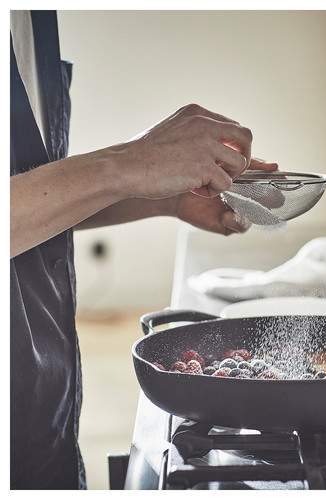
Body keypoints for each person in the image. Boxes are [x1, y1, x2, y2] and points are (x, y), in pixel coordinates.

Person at [10, 10, 277, 489]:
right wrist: (127, 163)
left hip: (42, 412)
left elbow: (32, 195)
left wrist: (168, 194)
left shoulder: (35, 20)